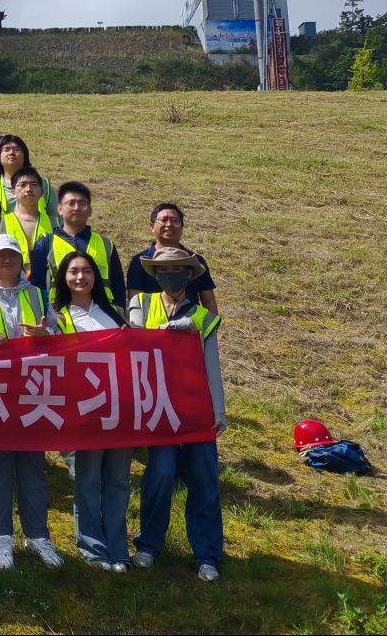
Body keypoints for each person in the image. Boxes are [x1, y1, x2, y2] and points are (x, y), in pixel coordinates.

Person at [129, 246, 225, 581]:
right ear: (156, 275)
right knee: (160, 473)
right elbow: (135, 345)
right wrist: (164, 333)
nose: (172, 276)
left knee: (204, 478)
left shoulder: (203, 317)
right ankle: (148, 544)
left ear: (190, 274)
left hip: (196, 408)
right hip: (158, 407)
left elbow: (211, 364)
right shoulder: (141, 304)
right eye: (165, 271)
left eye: (179, 270)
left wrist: (219, 409)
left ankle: (207, 554)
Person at [0, 234, 60, 570]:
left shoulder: (37, 294)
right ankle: (2, 536)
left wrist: (45, 335)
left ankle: (38, 536)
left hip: (33, 388)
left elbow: (59, 335)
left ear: (22, 261)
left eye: (12, 255)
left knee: (33, 464)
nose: (5, 260)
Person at [50, 249, 131, 572]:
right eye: (73, 271)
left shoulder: (114, 313)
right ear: (63, 278)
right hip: (84, 411)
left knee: (118, 481)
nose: (80, 277)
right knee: (88, 481)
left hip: (119, 409)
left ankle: (119, 548)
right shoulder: (59, 318)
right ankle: (93, 548)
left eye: (86, 271)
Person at [32, 181, 126, 307]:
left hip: (101, 313)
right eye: (71, 203)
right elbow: (37, 286)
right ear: (59, 209)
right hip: (58, 313)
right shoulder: (46, 243)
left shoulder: (106, 245)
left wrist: (118, 314)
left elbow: (118, 287)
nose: (76, 208)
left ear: (90, 210)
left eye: (82, 204)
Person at [126, 203, 221, 315]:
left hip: (192, 323)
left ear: (182, 227)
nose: (169, 224)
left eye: (175, 220)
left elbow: (209, 302)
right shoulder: (139, 262)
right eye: (163, 220)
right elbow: (135, 301)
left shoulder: (196, 261)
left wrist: (210, 324)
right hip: (152, 324)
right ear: (152, 227)